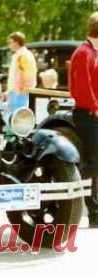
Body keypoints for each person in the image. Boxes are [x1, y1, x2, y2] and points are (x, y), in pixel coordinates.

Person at [69, 11, 98, 227]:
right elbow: (82, 88)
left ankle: (95, 211)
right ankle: (69, 192)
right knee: (92, 163)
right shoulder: (83, 53)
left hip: (94, 113)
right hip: (88, 114)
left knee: (95, 164)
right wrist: (95, 108)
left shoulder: (93, 52)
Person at [3, 32, 37, 116]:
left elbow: (21, 74)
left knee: (15, 119)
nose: (9, 45)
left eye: (10, 42)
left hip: (19, 92)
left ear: (16, 42)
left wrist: (18, 91)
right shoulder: (25, 54)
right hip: (21, 91)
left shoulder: (21, 55)